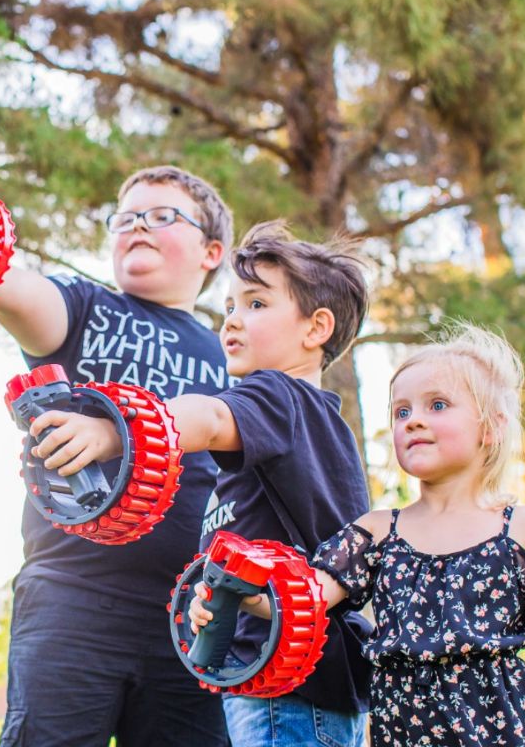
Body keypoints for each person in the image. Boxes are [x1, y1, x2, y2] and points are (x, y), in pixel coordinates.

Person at [0, 165, 235, 746]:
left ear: (212, 251)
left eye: (162, 216)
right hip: (71, 599)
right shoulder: (84, 306)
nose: (138, 226)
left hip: (191, 612)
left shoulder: (232, 354)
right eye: (125, 218)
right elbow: (4, 280)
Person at [29, 221, 373, 747]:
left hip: (289, 692)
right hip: (278, 682)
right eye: (230, 306)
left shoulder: (279, 395)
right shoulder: (297, 422)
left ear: (316, 328)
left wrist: (114, 433)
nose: (232, 319)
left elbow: (207, 416)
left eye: (255, 304)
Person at [194, 323, 525, 747]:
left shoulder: (520, 528)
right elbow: (303, 598)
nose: (413, 421)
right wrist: (236, 593)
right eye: (401, 412)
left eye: (438, 405)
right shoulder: (377, 532)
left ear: (491, 428)